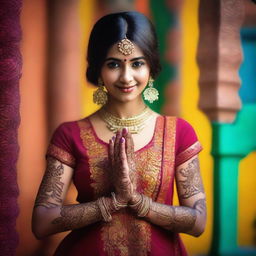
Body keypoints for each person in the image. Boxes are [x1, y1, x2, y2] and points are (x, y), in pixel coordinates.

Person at [32, 11, 206, 256]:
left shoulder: (179, 132)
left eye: (137, 63)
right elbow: (41, 222)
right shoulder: (70, 134)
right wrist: (113, 201)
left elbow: (198, 221)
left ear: (151, 66)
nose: (126, 77)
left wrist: (136, 200)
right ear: (98, 69)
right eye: (113, 64)